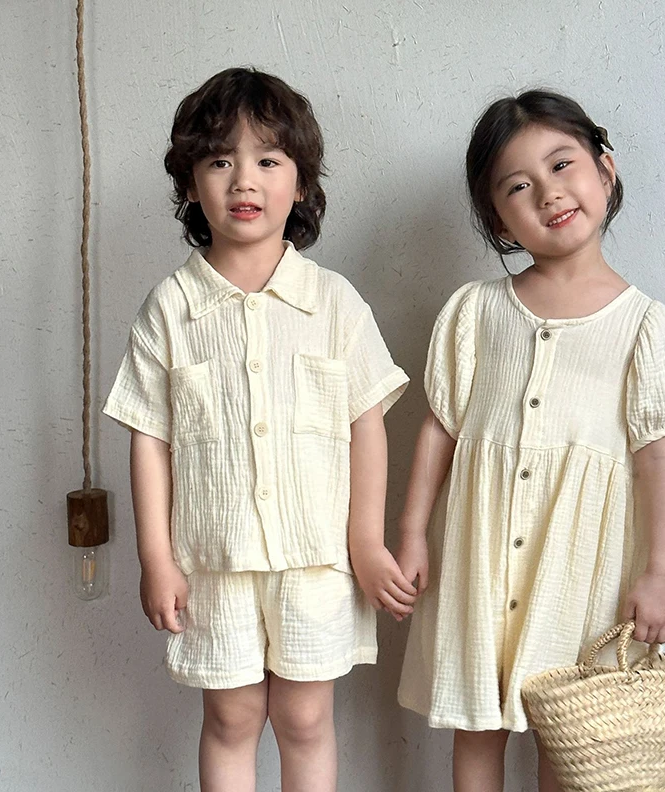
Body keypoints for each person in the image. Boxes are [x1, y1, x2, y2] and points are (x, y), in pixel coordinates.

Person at [103, 67, 413, 792]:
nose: (244, 179)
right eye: (220, 161)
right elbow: (149, 438)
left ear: (301, 185)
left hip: (315, 563)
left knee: (305, 718)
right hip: (214, 562)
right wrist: (156, 557)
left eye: (268, 160)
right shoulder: (169, 308)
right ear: (190, 185)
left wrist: (366, 542)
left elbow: (367, 424)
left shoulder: (335, 303)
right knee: (232, 717)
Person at [396, 90, 665, 792]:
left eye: (563, 165)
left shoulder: (647, 328)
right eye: (518, 186)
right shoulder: (475, 313)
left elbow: (658, 459)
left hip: (584, 570)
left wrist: (659, 573)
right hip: (478, 558)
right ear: (496, 216)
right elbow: (440, 428)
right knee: (477, 724)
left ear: (605, 170)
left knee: (572, 738)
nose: (549, 193)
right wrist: (410, 534)